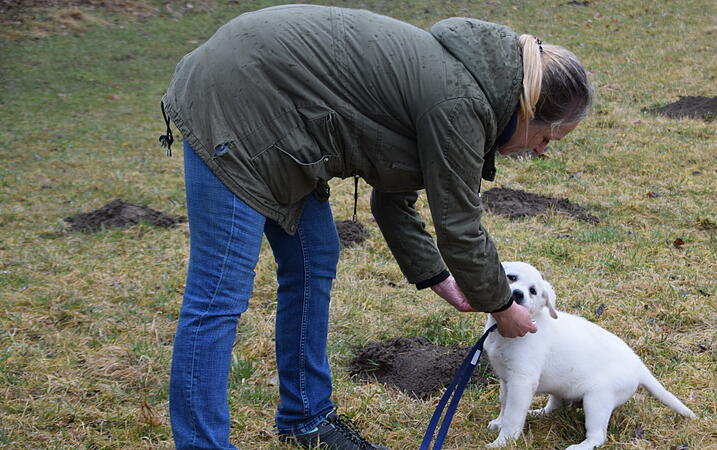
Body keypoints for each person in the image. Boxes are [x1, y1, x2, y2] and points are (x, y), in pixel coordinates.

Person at [159, 4, 593, 449]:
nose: (541, 152)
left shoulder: (470, 91)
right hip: (239, 99)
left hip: (287, 113)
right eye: (545, 139)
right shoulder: (462, 102)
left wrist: (439, 278)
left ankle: (306, 418)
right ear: (526, 110)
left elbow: (392, 198)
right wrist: (501, 305)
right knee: (220, 291)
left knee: (315, 256)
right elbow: (461, 227)